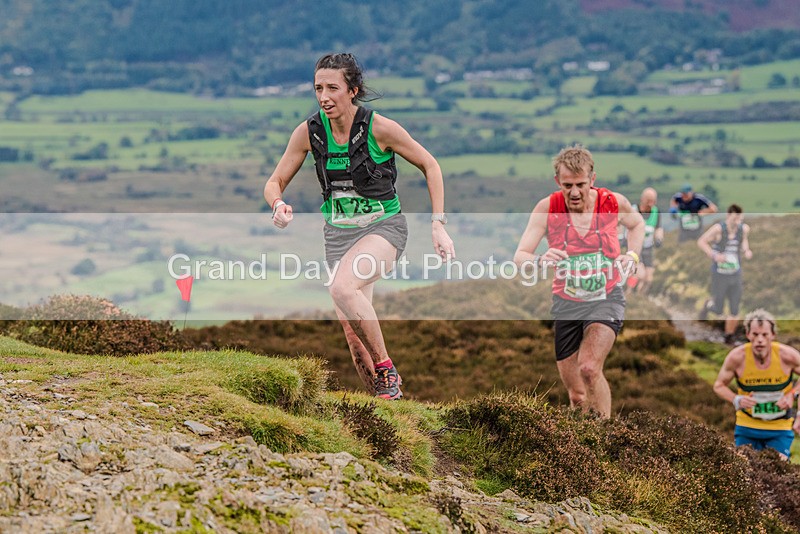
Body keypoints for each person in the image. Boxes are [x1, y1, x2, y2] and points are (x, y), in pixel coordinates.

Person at [264, 53, 455, 399]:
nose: (324, 96)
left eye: (332, 88)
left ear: (352, 90)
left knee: (341, 288)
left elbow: (431, 165)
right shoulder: (309, 132)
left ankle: (387, 369)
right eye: (318, 88)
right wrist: (278, 204)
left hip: (384, 228)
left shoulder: (379, 128)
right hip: (338, 238)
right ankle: (388, 411)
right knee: (354, 340)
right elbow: (274, 181)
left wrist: (438, 224)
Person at [514, 145, 644, 418]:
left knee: (589, 368)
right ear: (557, 182)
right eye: (567, 185)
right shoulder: (547, 208)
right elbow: (520, 256)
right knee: (576, 395)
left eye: (581, 184)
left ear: (592, 180)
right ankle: (583, 442)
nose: (574, 192)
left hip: (606, 297)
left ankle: (606, 437)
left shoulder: (613, 203)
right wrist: (540, 260)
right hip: (567, 303)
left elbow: (637, 225)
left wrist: (632, 254)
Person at [712, 309, 800, 460]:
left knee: (778, 469)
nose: (760, 339)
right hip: (747, 428)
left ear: (772, 335)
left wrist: (792, 395)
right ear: (748, 334)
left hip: (779, 428)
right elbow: (719, 385)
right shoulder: (736, 357)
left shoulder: (787, 355)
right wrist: (736, 399)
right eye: (755, 334)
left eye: (764, 335)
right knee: (745, 472)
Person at [697, 204, 752, 344]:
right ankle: (708, 305)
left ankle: (729, 337)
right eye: (735, 219)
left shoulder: (744, 229)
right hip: (720, 274)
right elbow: (701, 241)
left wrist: (746, 251)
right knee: (718, 308)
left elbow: (744, 242)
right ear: (729, 216)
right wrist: (714, 255)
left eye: (740, 219)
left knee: (735, 307)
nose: (737, 222)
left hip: (735, 273)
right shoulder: (718, 229)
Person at [618, 187, 663, 295]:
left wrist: (659, 239)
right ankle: (628, 294)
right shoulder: (632, 209)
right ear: (643, 199)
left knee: (649, 278)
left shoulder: (656, 212)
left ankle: (640, 296)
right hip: (634, 247)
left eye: (653, 201)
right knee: (639, 274)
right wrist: (620, 238)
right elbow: (619, 224)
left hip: (648, 248)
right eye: (649, 200)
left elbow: (658, 228)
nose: (651, 203)